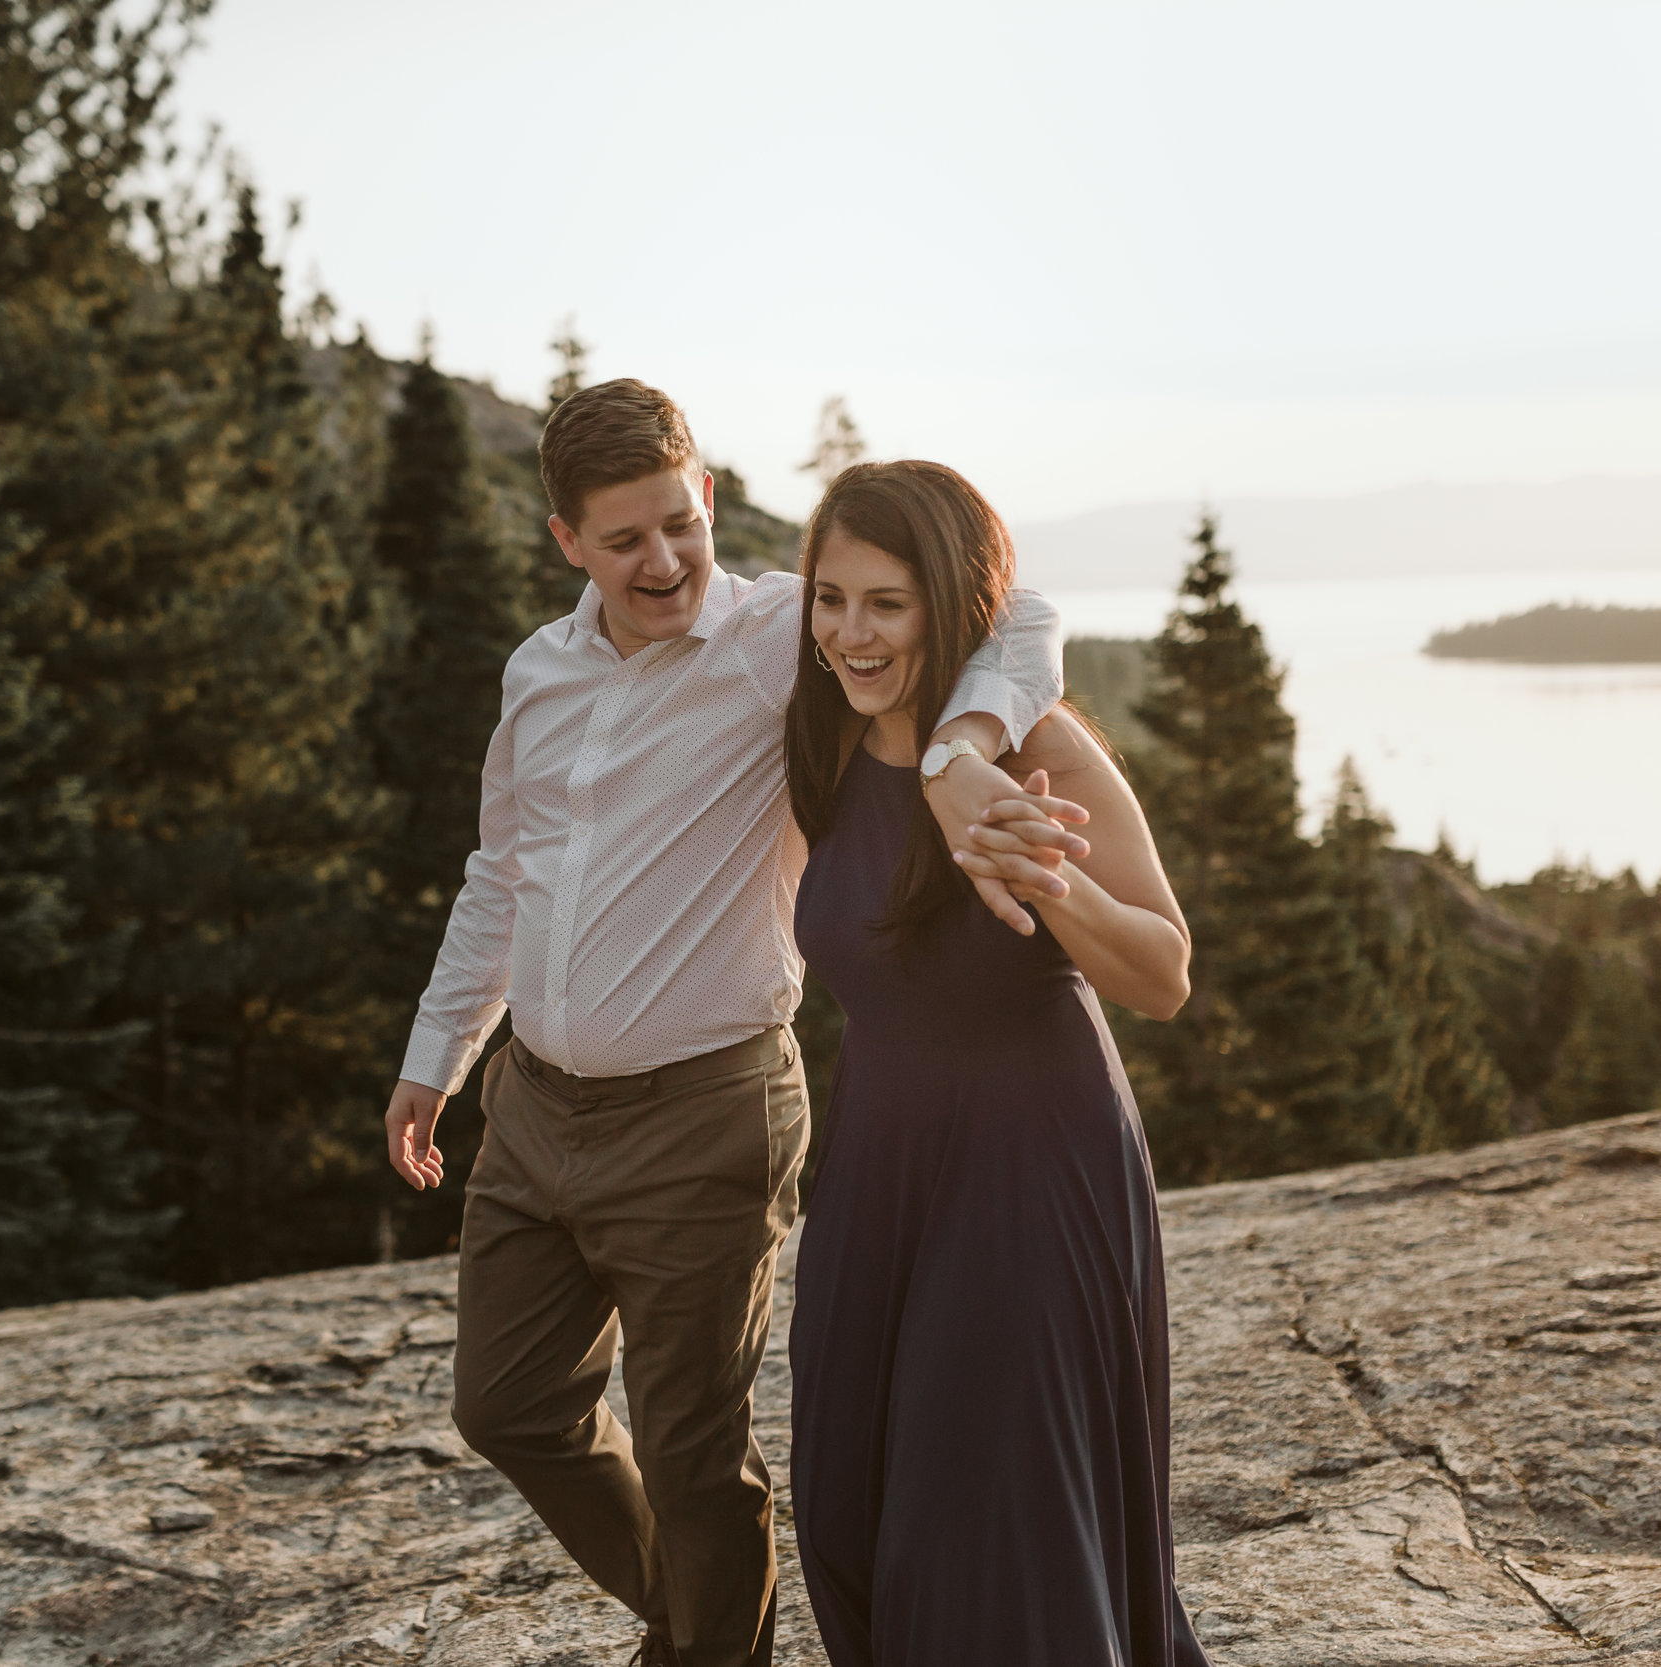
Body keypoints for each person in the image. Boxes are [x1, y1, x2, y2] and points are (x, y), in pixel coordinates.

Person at [381, 381, 1080, 1667]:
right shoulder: (536, 670)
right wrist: (440, 1054)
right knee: (507, 1403)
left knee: (695, 1449)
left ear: (704, 498)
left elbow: (1021, 611)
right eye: (624, 539)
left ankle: (714, 1647)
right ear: (566, 542)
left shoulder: (773, 637)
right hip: (533, 1107)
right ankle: (695, 1616)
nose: (661, 562)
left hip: (706, 1107)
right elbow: (502, 871)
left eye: (677, 524)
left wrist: (967, 746)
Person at [784, 460, 1208, 1666]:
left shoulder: (1043, 747)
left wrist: (1040, 873)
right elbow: (1026, 612)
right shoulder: (818, 731)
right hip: (880, 1157)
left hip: (1034, 1156)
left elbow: (1165, 971)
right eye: (831, 599)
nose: (851, 635)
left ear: (945, 605)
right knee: (847, 1494)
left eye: (888, 604)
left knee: (986, 1512)